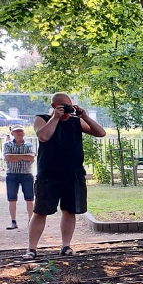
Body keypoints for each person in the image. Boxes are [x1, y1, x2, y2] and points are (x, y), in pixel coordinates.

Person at [25, 93, 106, 260]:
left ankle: (65, 246)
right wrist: (55, 118)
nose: (67, 110)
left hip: (73, 174)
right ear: (54, 106)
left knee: (70, 211)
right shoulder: (42, 118)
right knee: (40, 211)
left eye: (69, 106)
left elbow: (101, 133)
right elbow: (44, 136)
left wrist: (85, 116)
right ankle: (31, 249)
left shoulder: (76, 121)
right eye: (62, 106)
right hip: (48, 174)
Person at [5, 125, 35, 230]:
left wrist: (15, 156)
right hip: (12, 174)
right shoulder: (7, 144)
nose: (19, 133)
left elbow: (31, 158)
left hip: (26, 174)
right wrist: (24, 156)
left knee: (29, 199)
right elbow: (8, 158)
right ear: (12, 133)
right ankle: (13, 221)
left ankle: (31, 221)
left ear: (24, 133)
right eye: (16, 131)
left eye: (20, 131)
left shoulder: (29, 144)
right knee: (12, 199)